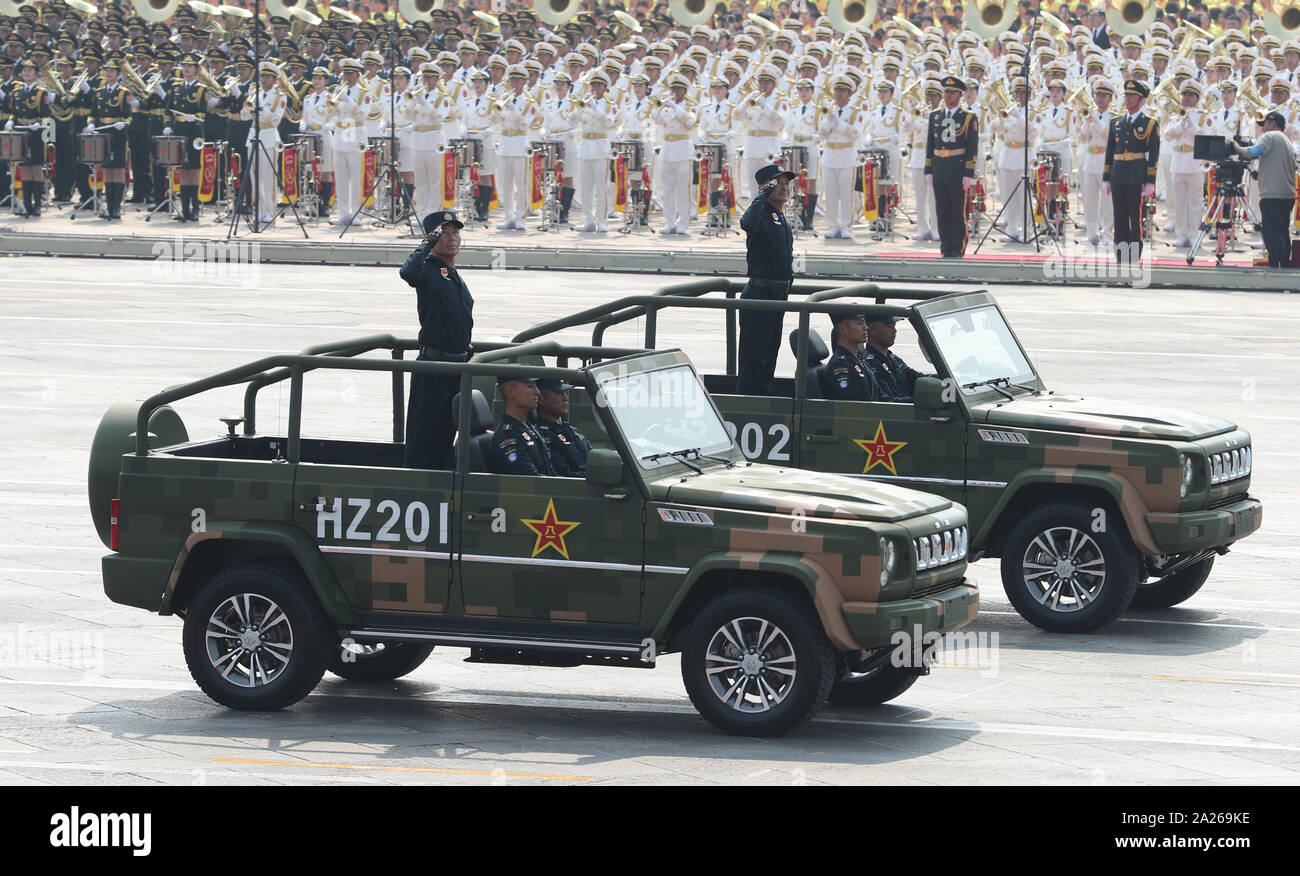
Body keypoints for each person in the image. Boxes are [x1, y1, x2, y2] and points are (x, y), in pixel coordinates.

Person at [400, 210, 472, 469]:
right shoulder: (427, 269)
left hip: (456, 368)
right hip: (433, 368)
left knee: (445, 439)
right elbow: (407, 272)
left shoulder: (452, 274)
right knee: (424, 441)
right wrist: (427, 244)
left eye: (456, 232)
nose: (453, 238)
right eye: (445, 233)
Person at [736, 163, 795, 396]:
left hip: (777, 295)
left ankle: (764, 398)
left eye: (786, 183)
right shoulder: (759, 213)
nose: (784, 187)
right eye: (777, 183)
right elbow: (746, 223)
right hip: (760, 294)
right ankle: (749, 401)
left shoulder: (779, 215)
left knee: (770, 354)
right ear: (764, 187)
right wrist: (761, 194)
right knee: (754, 356)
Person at [1103, 81, 1160, 266]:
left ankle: (1134, 253)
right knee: (1119, 216)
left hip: (1136, 174)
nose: (1128, 99)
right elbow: (1110, 151)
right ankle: (1120, 253)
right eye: (1126, 95)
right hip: (1118, 173)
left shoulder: (1149, 123)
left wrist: (1151, 180)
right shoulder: (1116, 122)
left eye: (1132, 96)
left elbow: (1154, 154)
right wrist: (1106, 177)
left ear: (1142, 99)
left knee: (1134, 216)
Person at [1233, 111, 1298, 268]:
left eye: (1265, 125)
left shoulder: (1270, 137)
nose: (1262, 129)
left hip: (1273, 196)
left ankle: (1275, 266)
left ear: (1273, 124)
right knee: (1282, 232)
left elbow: (1254, 152)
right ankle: (1284, 264)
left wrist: (1238, 148)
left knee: (1271, 234)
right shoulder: (1287, 141)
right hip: (1287, 194)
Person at [925, 75, 980, 258]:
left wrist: (968, 172)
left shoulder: (967, 117)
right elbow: (930, 145)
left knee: (958, 213)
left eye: (952, 92)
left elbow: (972, 146)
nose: (948, 96)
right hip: (940, 167)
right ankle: (945, 247)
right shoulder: (935, 115)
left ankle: (958, 248)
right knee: (942, 212)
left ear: (959, 94)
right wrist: (928, 169)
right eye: (946, 92)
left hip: (957, 169)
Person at [487, 375, 557, 475]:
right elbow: (531, 481)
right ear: (510, 392)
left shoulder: (529, 427)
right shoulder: (508, 437)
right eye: (530, 386)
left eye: (536, 386)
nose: (537, 392)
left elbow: (550, 472)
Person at [861, 316, 931, 403]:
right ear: (872, 329)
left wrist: (945, 378)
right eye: (889, 326)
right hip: (895, 413)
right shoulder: (869, 364)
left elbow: (917, 378)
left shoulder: (893, 358)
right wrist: (923, 400)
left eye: (894, 326)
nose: (894, 331)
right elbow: (888, 402)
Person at [532, 378, 591, 476]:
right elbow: (563, 476)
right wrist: (595, 476)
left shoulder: (573, 431)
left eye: (565, 392)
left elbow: (594, 460)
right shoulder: (542, 435)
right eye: (558, 393)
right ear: (541, 398)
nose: (565, 398)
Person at [824, 313, 883, 402]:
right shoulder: (840, 365)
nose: (866, 328)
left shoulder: (859, 360)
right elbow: (853, 406)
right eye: (860, 323)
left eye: (864, 323)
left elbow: (880, 396)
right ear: (843, 329)